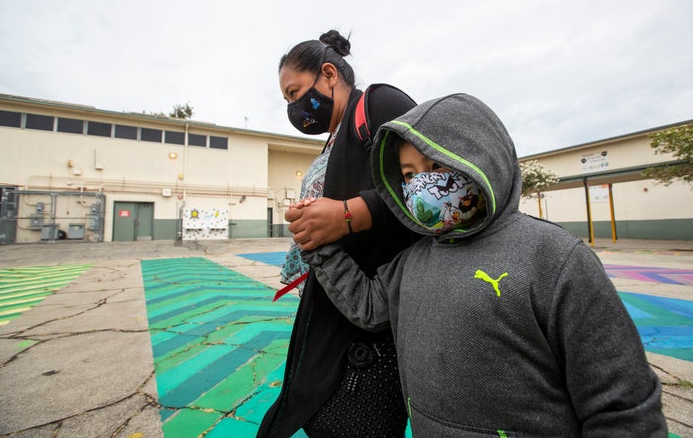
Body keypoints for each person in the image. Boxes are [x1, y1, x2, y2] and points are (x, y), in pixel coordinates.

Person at [302, 93, 668, 437]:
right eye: (410, 175)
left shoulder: (556, 259)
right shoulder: (412, 261)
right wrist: (318, 247)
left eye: (435, 164)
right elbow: (368, 307)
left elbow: (623, 409)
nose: (422, 184)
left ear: (482, 157)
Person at [256, 30, 418, 438]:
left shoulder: (379, 104)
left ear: (329, 75)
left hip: (372, 323)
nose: (294, 108)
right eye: (288, 101)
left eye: (295, 93)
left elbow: (426, 186)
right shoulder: (334, 137)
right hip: (334, 300)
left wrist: (348, 215)